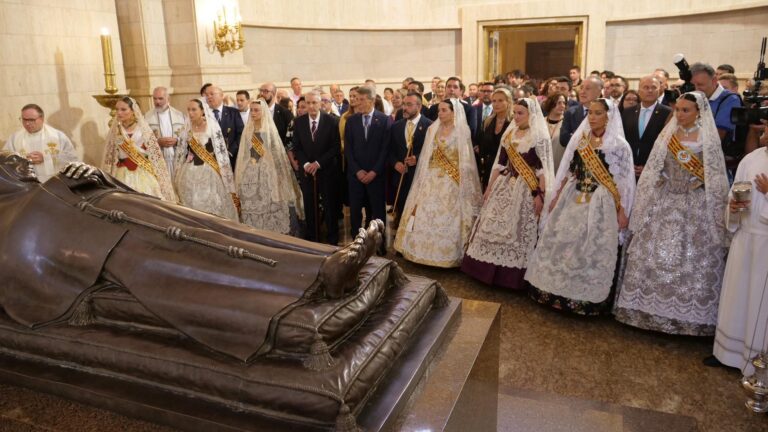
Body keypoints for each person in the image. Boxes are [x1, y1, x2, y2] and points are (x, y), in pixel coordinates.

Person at [615, 92, 729, 335]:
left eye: (686, 110)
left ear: (699, 112)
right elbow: (656, 169)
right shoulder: (668, 137)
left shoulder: (707, 139)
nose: (680, 114)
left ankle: (687, 318)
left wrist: (699, 184)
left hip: (695, 204)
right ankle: (645, 310)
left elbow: (716, 176)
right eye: (678, 109)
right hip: (665, 200)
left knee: (691, 257)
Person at [526, 99, 635, 315]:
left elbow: (624, 182)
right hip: (573, 196)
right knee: (563, 243)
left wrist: (623, 210)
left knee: (591, 247)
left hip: (601, 202)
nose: (592, 117)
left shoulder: (619, 145)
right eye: (590, 113)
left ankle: (584, 299)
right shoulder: (581, 141)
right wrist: (556, 196)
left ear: (609, 117)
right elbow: (570, 170)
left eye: (598, 113)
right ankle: (554, 292)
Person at [462, 97, 554, 289]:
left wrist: (541, 195)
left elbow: (543, 169)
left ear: (532, 114)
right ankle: (484, 271)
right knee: (491, 224)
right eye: (515, 113)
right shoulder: (509, 133)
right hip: (504, 184)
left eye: (521, 113)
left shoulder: (539, 136)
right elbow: (500, 163)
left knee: (517, 230)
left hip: (526, 189)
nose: (517, 116)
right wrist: (489, 188)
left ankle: (511, 277)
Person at [394, 99, 482, 267]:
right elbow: (427, 156)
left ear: (453, 112)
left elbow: (466, 160)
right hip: (431, 178)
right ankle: (418, 251)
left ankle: (449, 254)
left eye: (444, 110)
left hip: (452, 181)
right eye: (439, 110)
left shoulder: (462, 131)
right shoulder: (432, 130)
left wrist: (461, 181)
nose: (439, 113)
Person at [711, 145, 768, 372]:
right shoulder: (751, 158)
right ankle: (728, 353)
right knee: (738, 294)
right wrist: (734, 207)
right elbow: (736, 193)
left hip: (765, 242)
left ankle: (757, 364)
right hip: (745, 237)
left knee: (759, 302)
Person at [235, 99, 303, 235]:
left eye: (256, 110)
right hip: (251, 171)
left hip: (268, 171)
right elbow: (243, 154)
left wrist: (276, 173)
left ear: (263, 112)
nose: (253, 113)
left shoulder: (269, 130)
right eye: (251, 110)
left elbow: (277, 153)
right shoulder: (247, 130)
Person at [102, 96, 177, 202]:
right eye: (117, 109)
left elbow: (155, 156)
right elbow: (110, 157)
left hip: (143, 172)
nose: (119, 113)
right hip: (121, 174)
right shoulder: (116, 131)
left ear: (133, 111)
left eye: (123, 109)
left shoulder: (144, 130)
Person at [173, 99, 238, 220]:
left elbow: (221, 152)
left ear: (202, 111)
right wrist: (176, 172)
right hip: (189, 170)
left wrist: (226, 174)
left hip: (209, 171)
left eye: (194, 110)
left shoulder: (212, 126)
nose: (190, 113)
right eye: (188, 110)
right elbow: (181, 152)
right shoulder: (186, 128)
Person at [345, 85, 392, 250]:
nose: (357, 103)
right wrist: (357, 171)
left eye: (361, 99)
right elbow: (348, 150)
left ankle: (379, 244)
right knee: (356, 212)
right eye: (356, 99)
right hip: (355, 176)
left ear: (371, 100)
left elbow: (386, 150)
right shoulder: (351, 121)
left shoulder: (385, 120)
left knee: (378, 212)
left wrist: (374, 172)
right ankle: (356, 244)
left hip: (376, 176)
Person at [292, 91, 342, 245]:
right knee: (309, 205)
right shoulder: (299, 122)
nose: (311, 106)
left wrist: (318, 163)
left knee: (329, 205)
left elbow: (335, 147)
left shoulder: (332, 121)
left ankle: (332, 238)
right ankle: (313, 238)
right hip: (307, 172)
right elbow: (297, 147)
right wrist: (306, 164)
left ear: (321, 104)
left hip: (326, 170)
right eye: (308, 103)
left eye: (315, 103)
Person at [4, 104, 78, 183]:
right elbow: (5, 161)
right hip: (27, 186)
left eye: (31, 120)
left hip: (54, 184)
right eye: (24, 120)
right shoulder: (15, 138)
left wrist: (46, 158)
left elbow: (72, 159)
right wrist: (23, 161)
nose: (27, 124)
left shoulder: (58, 136)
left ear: (42, 118)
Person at [388, 92, 433, 222]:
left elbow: (433, 151)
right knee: (401, 212)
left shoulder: (430, 125)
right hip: (400, 177)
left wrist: (417, 158)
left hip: (420, 177)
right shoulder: (396, 126)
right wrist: (396, 163)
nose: (404, 108)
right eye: (404, 104)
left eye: (408, 105)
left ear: (419, 106)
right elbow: (390, 150)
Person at [622, 76, 673, 179]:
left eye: (653, 87)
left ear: (659, 90)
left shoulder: (668, 113)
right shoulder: (628, 112)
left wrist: (649, 168)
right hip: (628, 170)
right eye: (646, 87)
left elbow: (668, 145)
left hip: (654, 173)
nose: (650, 90)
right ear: (639, 90)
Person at [474, 88, 513, 191]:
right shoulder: (487, 121)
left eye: (500, 100)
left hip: (507, 169)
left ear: (508, 102)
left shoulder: (513, 122)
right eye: (494, 101)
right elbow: (482, 145)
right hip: (488, 167)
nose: (496, 104)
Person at [144, 86, 185, 177]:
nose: (157, 102)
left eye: (160, 98)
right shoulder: (147, 117)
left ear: (168, 98)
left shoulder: (180, 115)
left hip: (176, 157)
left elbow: (187, 136)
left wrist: (177, 141)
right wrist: (157, 142)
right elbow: (143, 138)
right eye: (154, 99)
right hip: (158, 158)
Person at [204, 85, 244, 169]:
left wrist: (230, 152)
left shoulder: (233, 113)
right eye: (206, 95)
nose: (209, 97)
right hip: (210, 160)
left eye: (212, 94)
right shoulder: (203, 114)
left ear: (221, 95)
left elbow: (241, 134)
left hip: (231, 159)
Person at [559, 76, 602, 148]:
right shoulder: (570, 112)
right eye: (581, 88)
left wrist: (575, 136)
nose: (582, 92)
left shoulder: (607, 113)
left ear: (599, 92)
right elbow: (564, 140)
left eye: (588, 88)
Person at [542, 93, 567, 171]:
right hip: (541, 169)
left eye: (564, 103)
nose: (562, 105)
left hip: (560, 168)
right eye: (559, 103)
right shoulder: (541, 122)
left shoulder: (567, 123)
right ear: (551, 104)